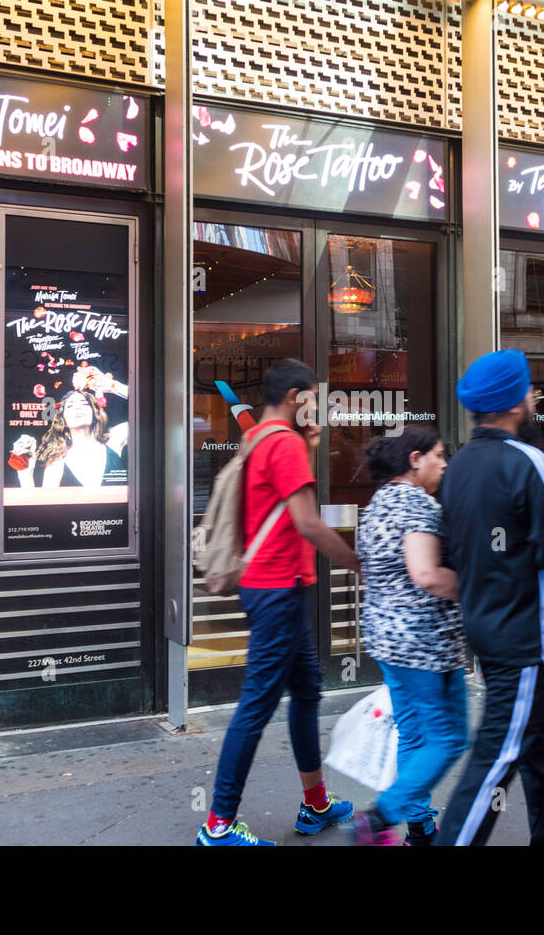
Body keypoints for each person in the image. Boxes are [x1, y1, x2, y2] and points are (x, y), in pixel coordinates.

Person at [435, 348, 544, 847]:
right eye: (529, 389)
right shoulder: (528, 461)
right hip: (521, 641)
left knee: (542, 759)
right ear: (514, 403)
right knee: (496, 758)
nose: (534, 396)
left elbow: (456, 555)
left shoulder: (459, 466)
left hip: (489, 632)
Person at [195, 358, 363, 846]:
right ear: (295, 397)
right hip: (278, 590)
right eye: (311, 397)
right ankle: (218, 825)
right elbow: (307, 523)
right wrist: (359, 563)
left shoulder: (258, 438)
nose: (316, 406)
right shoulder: (284, 443)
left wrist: (307, 445)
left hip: (272, 587)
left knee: (307, 692)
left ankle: (316, 804)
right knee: (256, 705)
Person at [352, 426, 466, 847]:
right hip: (425, 643)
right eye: (439, 455)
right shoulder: (416, 504)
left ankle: (419, 828)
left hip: (388, 640)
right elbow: (427, 575)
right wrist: (482, 589)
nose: (445, 464)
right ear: (415, 459)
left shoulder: (377, 503)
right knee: (449, 738)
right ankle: (380, 816)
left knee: (414, 735)